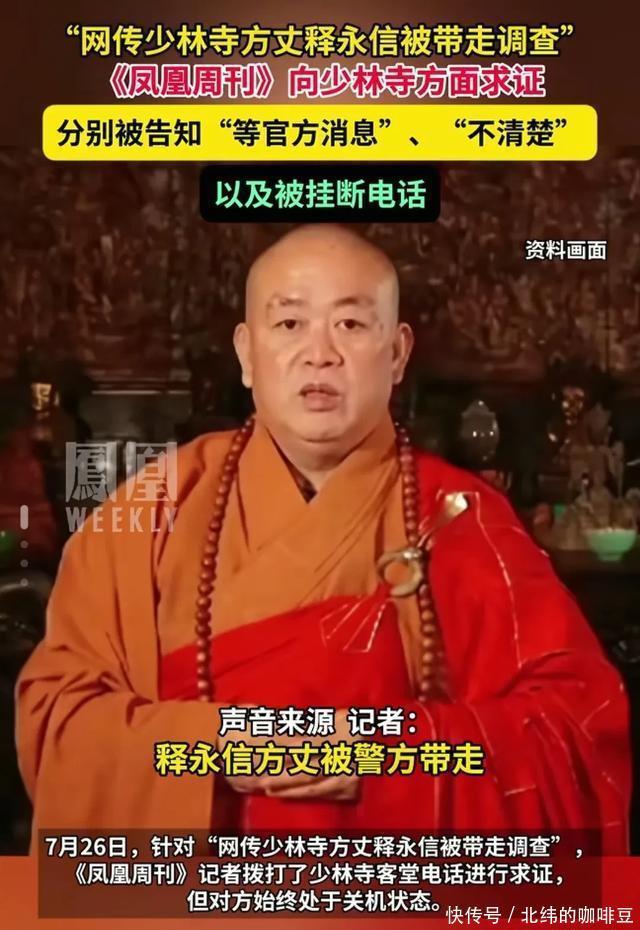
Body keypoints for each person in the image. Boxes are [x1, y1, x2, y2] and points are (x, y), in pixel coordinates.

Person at [15, 225, 630, 850]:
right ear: (246, 353)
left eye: (351, 325)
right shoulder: (151, 512)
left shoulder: (461, 520)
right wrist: (215, 747)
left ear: (397, 353)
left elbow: (579, 730)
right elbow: (59, 717)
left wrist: (389, 755)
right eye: (289, 324)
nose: (320, 354)